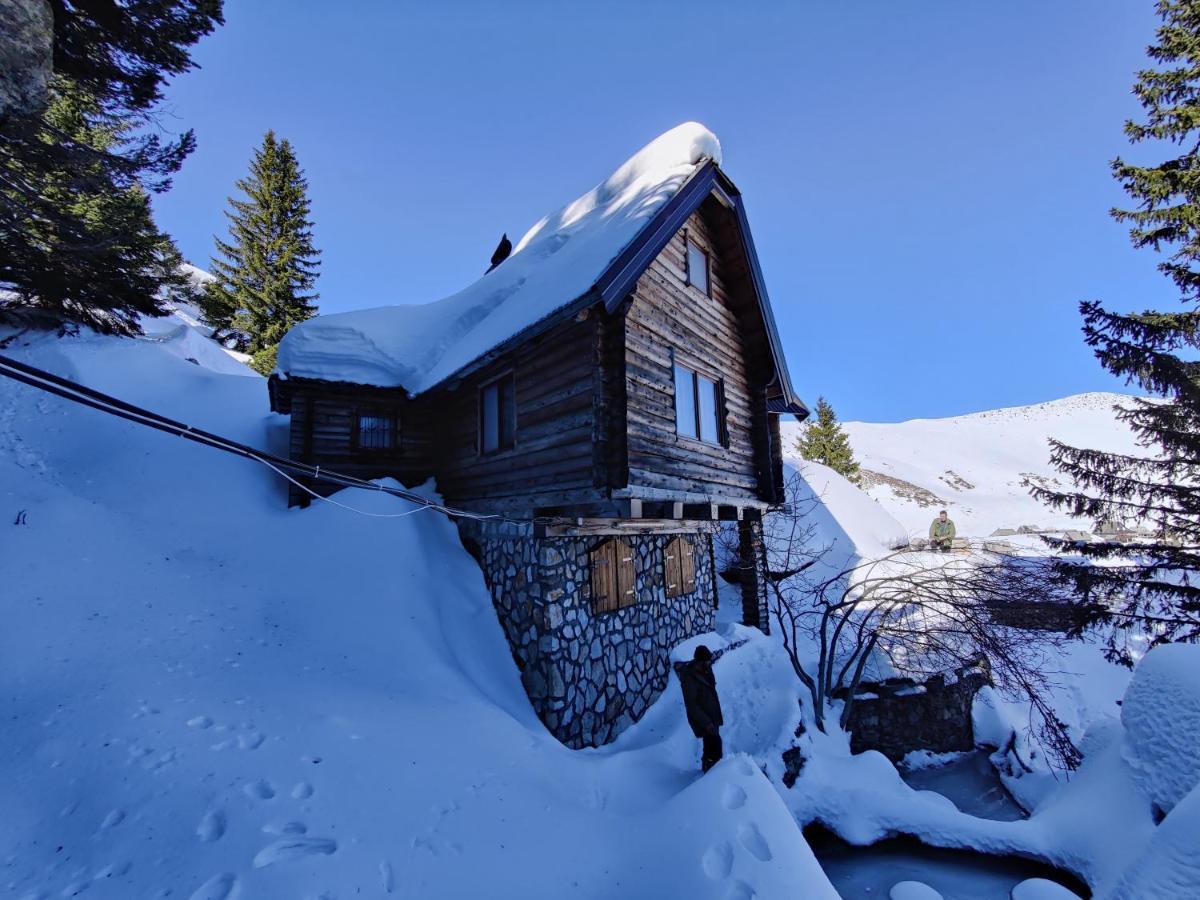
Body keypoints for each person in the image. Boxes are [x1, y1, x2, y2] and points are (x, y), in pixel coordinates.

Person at [678, 644, 724, 773]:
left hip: (712, 714)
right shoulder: (689, 679)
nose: (710, 663)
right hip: (705, 719)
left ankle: (709, 771)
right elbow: (691, 705)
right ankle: (711, 773)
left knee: (711, 745)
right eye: (707, 661)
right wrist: (706, 722)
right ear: (700, 662)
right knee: (714, 746)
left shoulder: (705, 670)